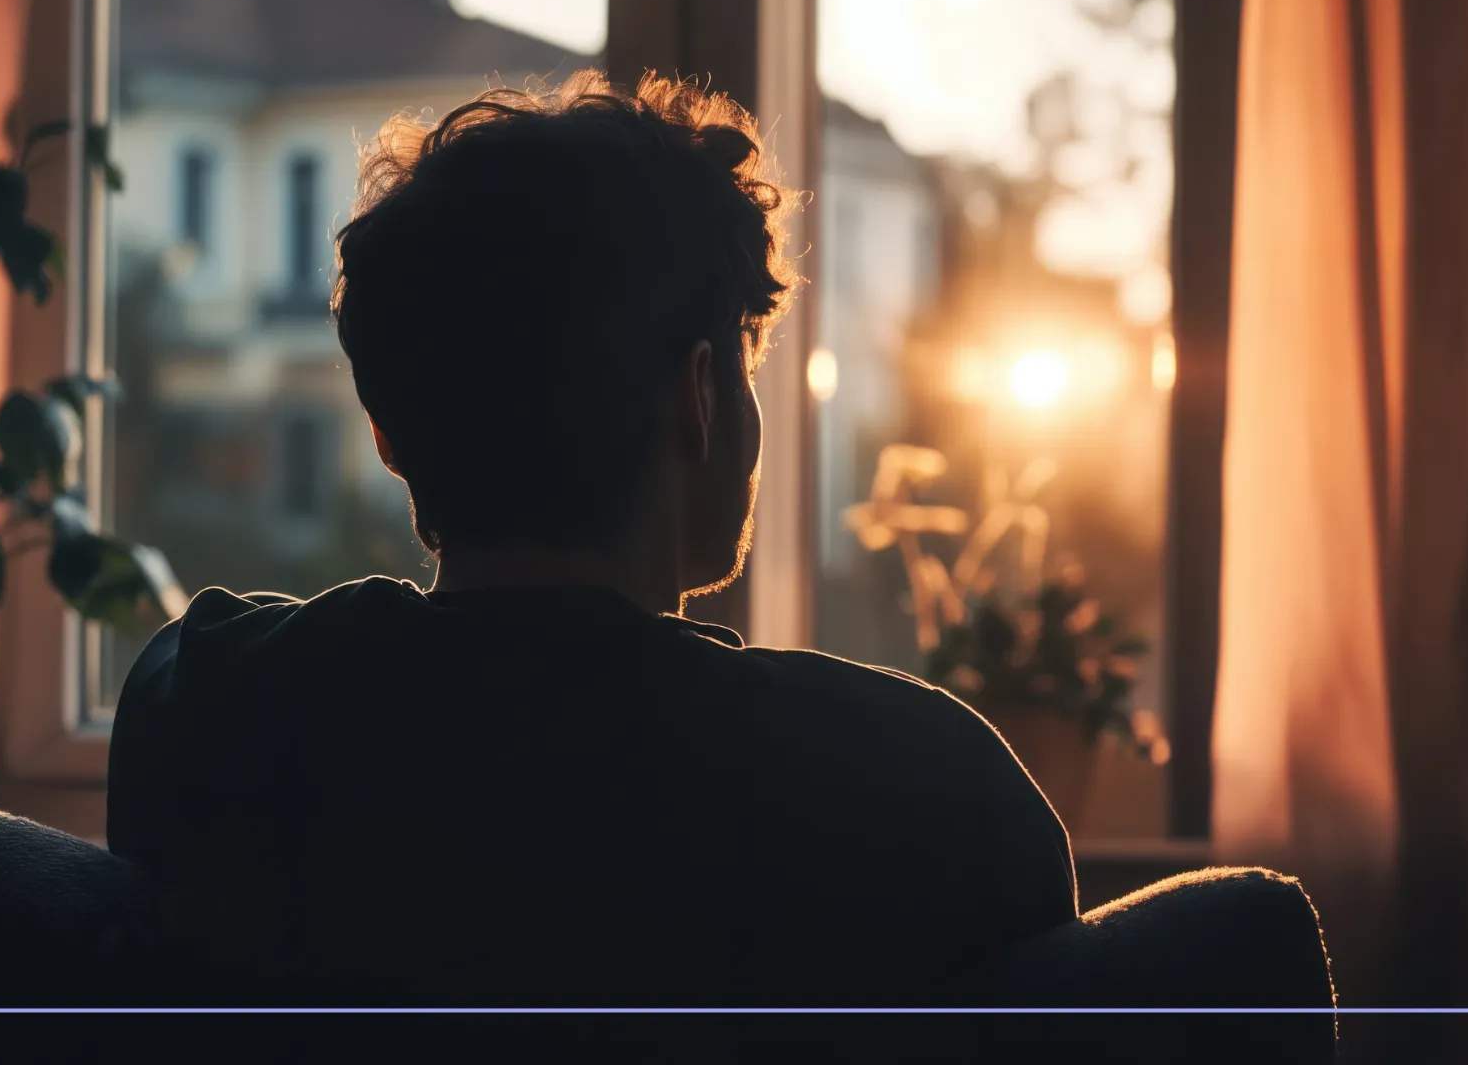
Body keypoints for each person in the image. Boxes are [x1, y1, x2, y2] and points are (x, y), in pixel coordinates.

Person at [105, 70, 1077, 1008]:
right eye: (744, 367)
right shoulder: (927, 788)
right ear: (699, 396)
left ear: (386, 434)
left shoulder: (208, 701)